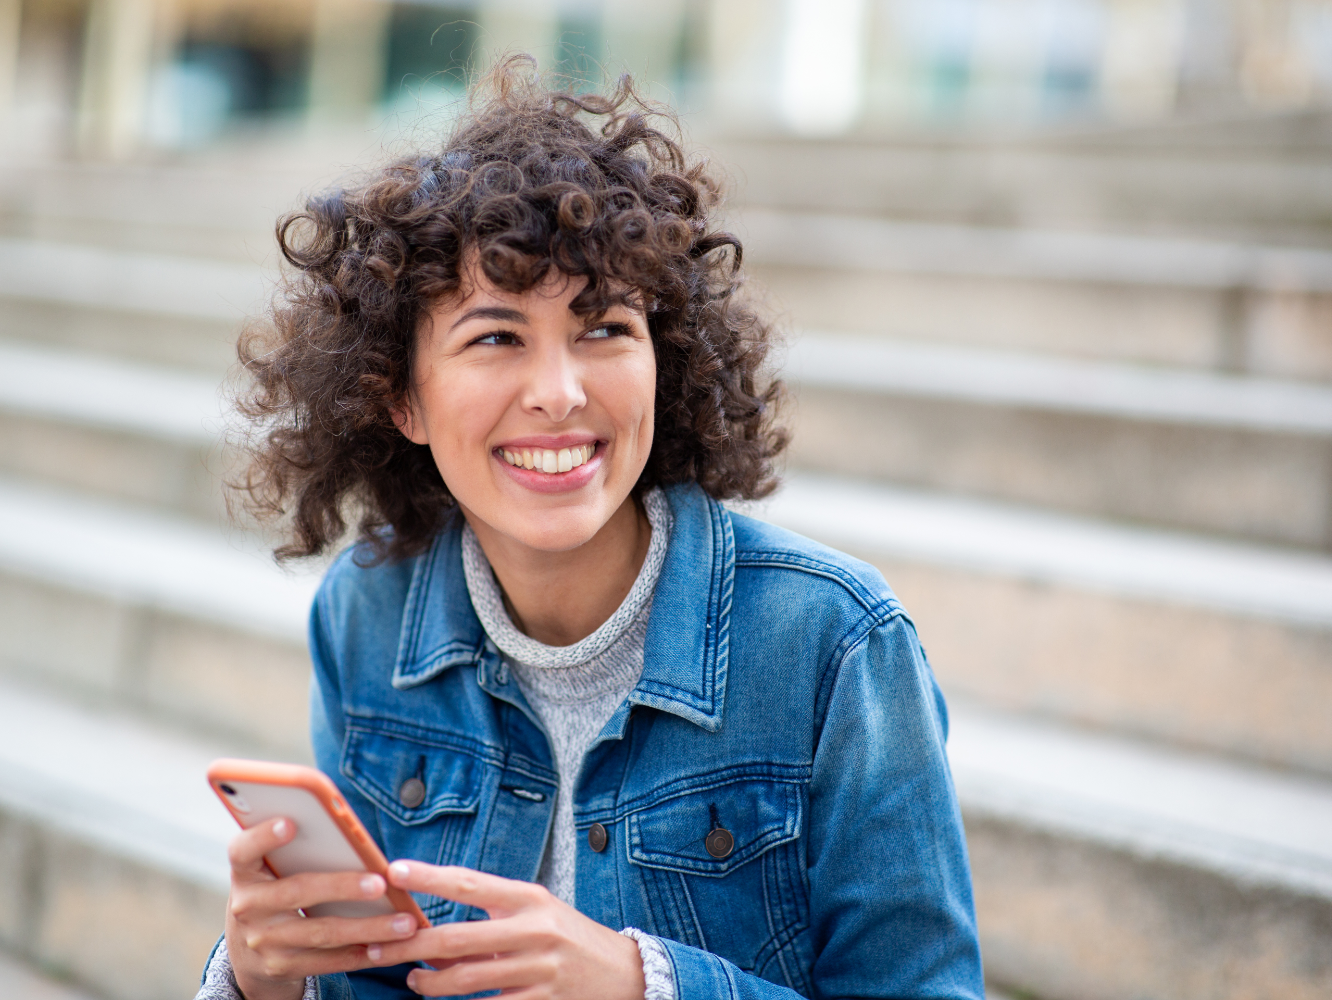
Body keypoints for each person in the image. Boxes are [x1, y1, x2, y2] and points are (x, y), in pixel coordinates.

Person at [197, 59, 984, 1000]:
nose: (561, 393)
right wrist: (260, 979)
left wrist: (640, 984)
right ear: (400, 398)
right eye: (495, 337)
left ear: (664, 359)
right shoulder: (368, 613)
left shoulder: (835, 643)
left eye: (605, 327)